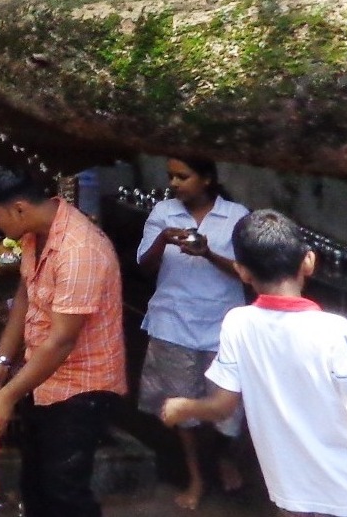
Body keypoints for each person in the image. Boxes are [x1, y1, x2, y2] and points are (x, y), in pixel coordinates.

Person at [162, 209, 347, 517]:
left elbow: (222, 407)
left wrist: (185, 407)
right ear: (308, 261)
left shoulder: (237, 323)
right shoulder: (333, 330)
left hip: (294, 504)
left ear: (242, 271)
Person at [0, 167, 126, 517]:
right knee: (36, 484)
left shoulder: (79, 249)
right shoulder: (35, 234)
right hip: (42, 378)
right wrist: (1, 361)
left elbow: (61, 341)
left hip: (82, 387)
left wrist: (7, 396)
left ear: (20, 209)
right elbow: (25, 293)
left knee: (65, 492)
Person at [136, 157, 249, 509]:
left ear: (207, 179)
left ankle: (223, 456)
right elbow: (144, 265)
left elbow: (248, 272)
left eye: (183, 176)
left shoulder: (236, 216)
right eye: (171, 176)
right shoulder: (163, 212)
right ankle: (196, 476)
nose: (174, 183)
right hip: (173, 322)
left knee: (228, 405)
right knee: (182, 404)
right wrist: (162, 240)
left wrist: (208, 253)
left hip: (223, 323)